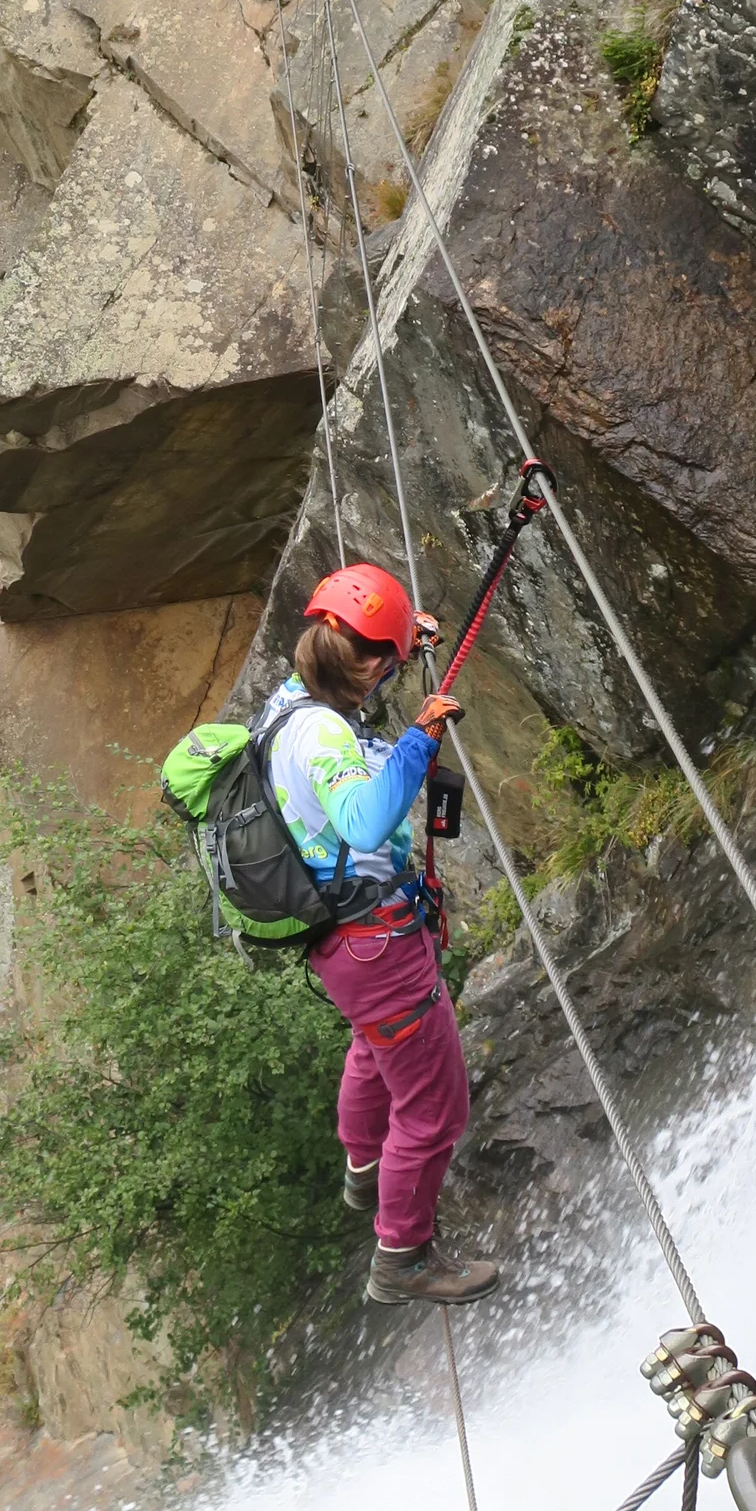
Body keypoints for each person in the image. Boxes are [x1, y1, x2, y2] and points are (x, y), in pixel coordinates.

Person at [261, 561, 498, 1308]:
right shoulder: (321, 738)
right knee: (433, 1111)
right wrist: (421, 739)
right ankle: (402, 1258)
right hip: (379, 941)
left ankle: (363, 1167)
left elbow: (350, 699)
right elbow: (364, 816)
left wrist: (395, 646)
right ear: (363, 664)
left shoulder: (293, 698)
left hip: (344, 946)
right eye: (385, 657)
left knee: (374, 1043)